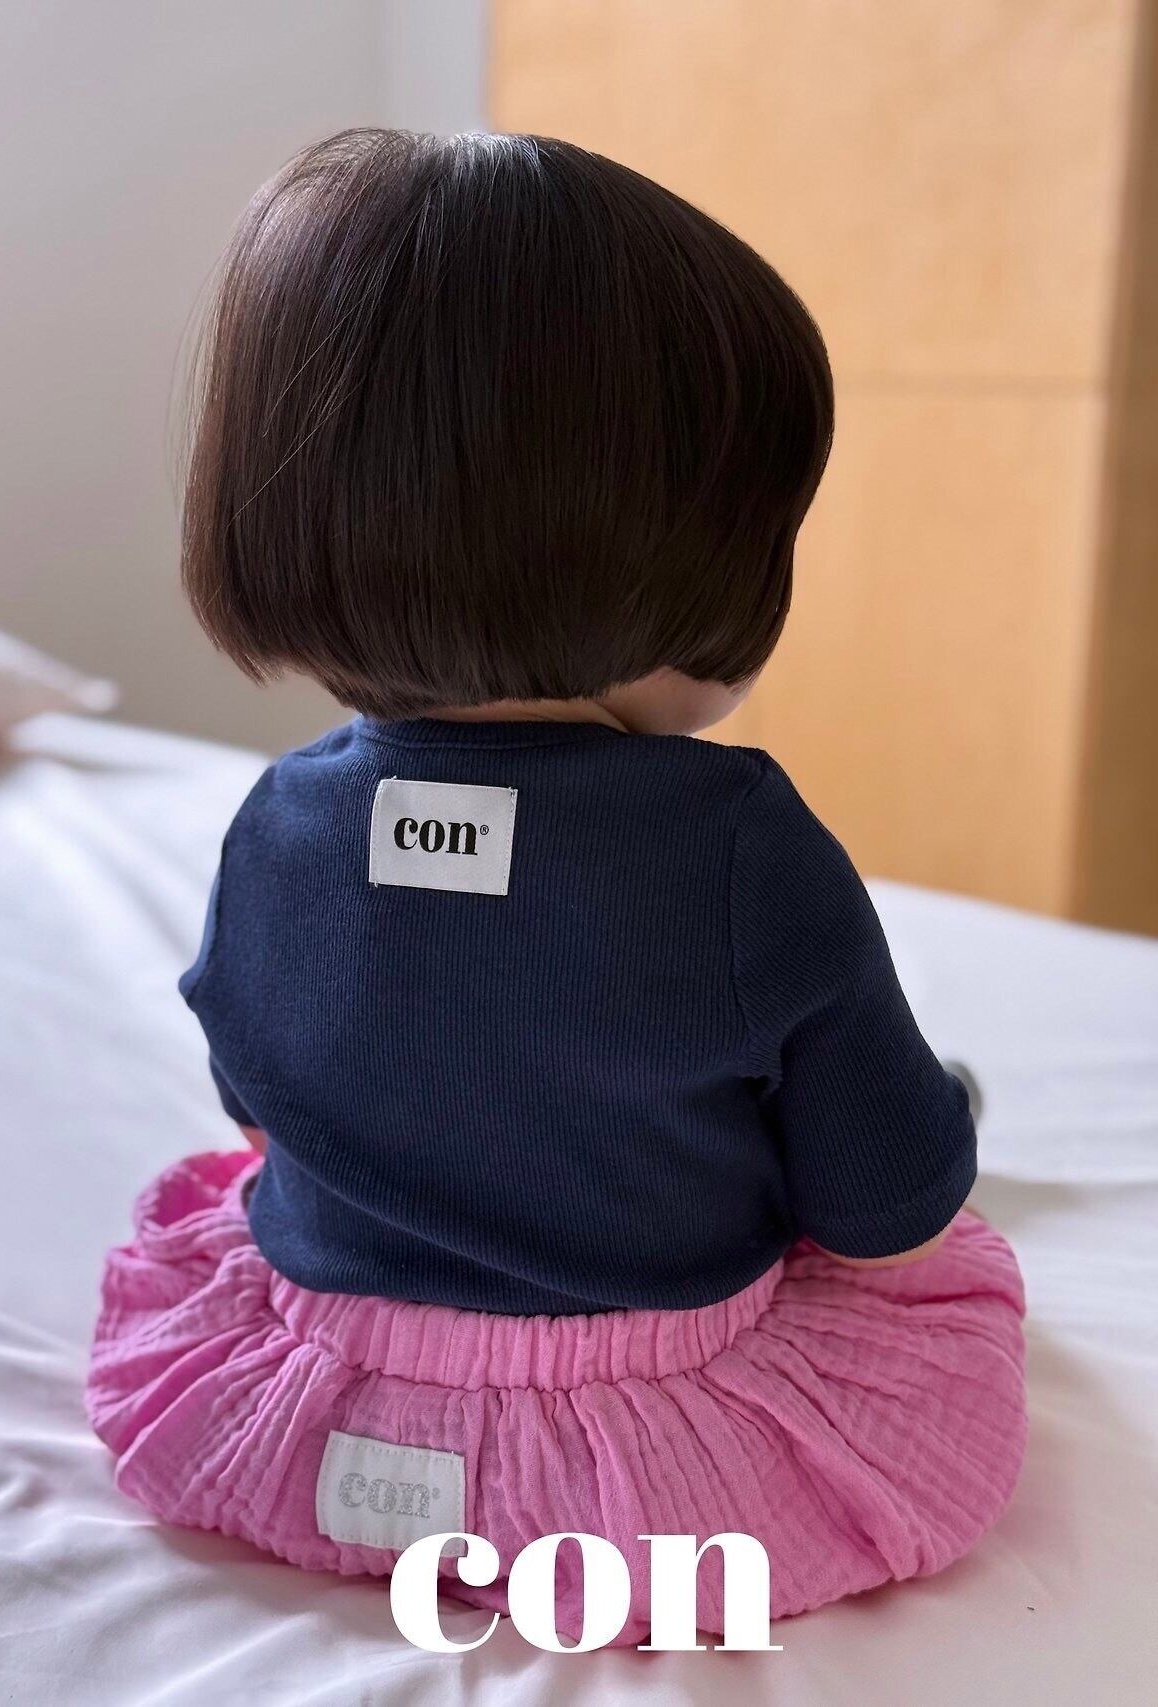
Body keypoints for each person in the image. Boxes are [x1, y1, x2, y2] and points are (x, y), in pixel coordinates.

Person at [86, 129, 1026, 1646]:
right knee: (950, 1258)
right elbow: (884, 1215)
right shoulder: (742, 846)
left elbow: (258, 1106)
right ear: (681, 564)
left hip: (316, 1426)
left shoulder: (281, 818)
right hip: (641, 1474)